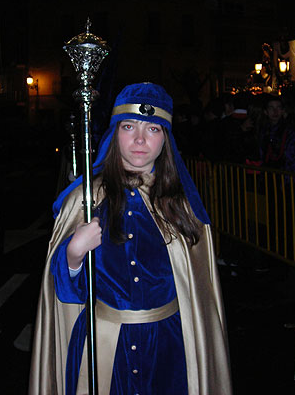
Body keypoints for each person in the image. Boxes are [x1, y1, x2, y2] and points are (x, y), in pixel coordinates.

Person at [29, 82, 232, 395]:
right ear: (115, 133)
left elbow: (199, 289)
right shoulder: (85, 200)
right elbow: (63, 290)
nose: (140, 139)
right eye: (129, 126)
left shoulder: (180, 203)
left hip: (170, 346)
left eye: (152, 128)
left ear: (165, 139)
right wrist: (73, 255)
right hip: (104, 346)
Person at [258, 95, 295, 172]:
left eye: (278, 107)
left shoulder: (289, 131)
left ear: (282, 110)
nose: (275, 111)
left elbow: (292, 159)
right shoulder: (263, 130)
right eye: (271, 108)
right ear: (265, 111)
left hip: (283, 176)